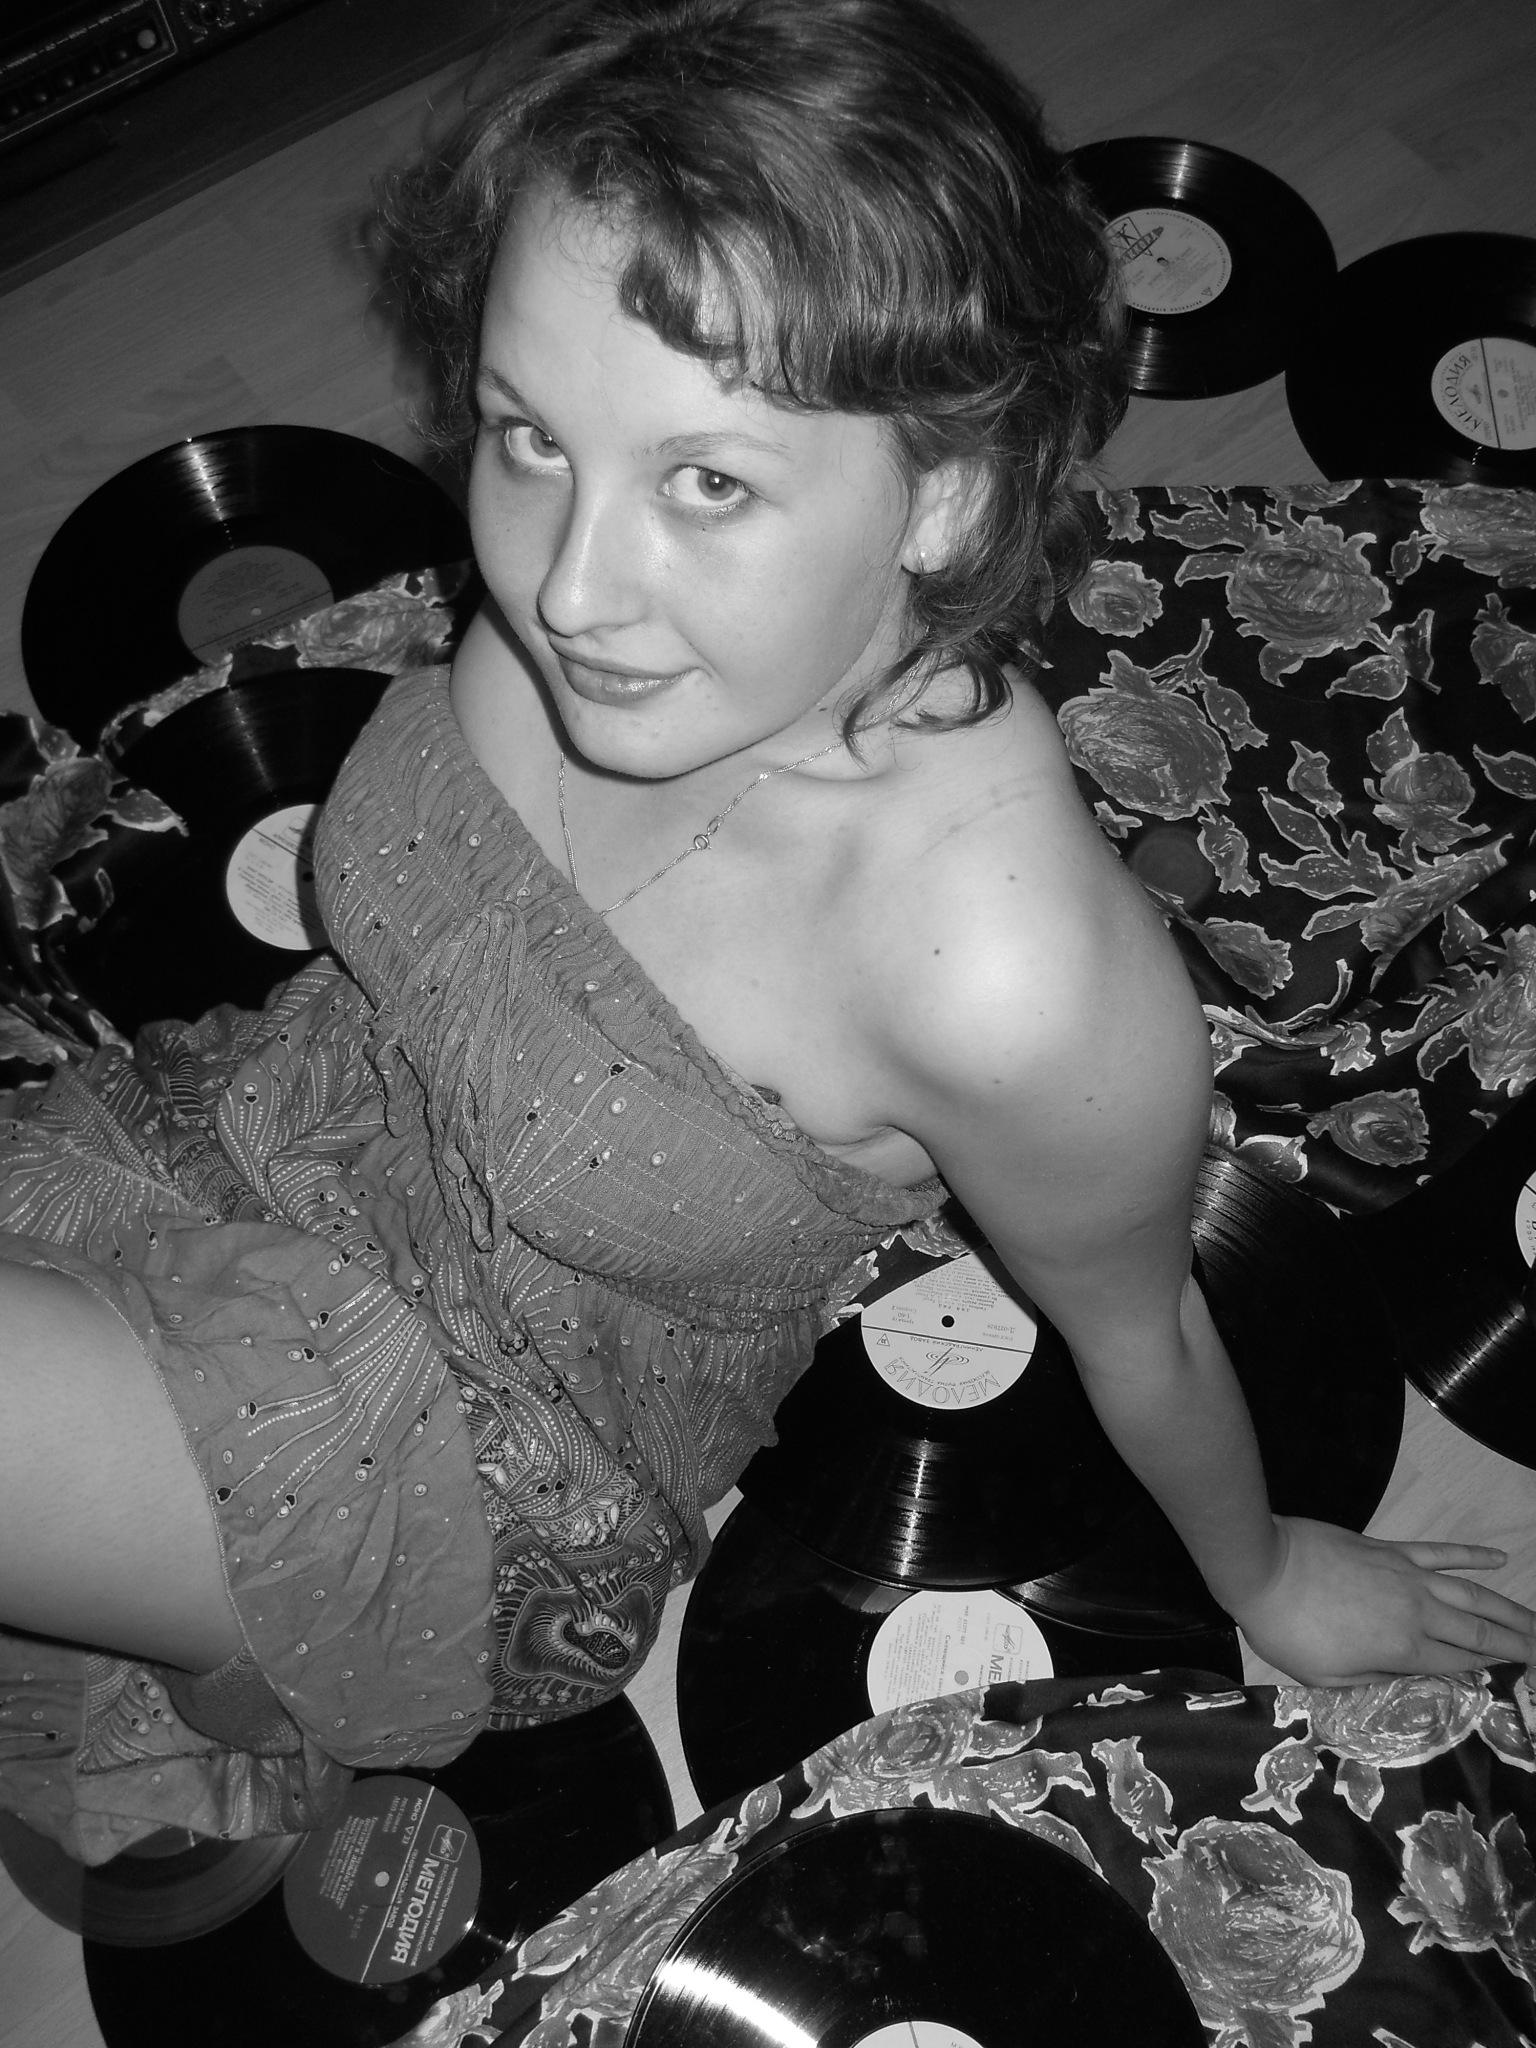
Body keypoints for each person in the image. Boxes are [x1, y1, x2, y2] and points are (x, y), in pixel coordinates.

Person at [2, 0, 1531, 1857]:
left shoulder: (1006, 977)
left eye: (708, 480)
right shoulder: (597, 604)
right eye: (529, 434)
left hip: (461, 1460)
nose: (569, 589)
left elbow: (1147, 1340)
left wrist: (1271, 1572)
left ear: (946, 491)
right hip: (217, 1136)